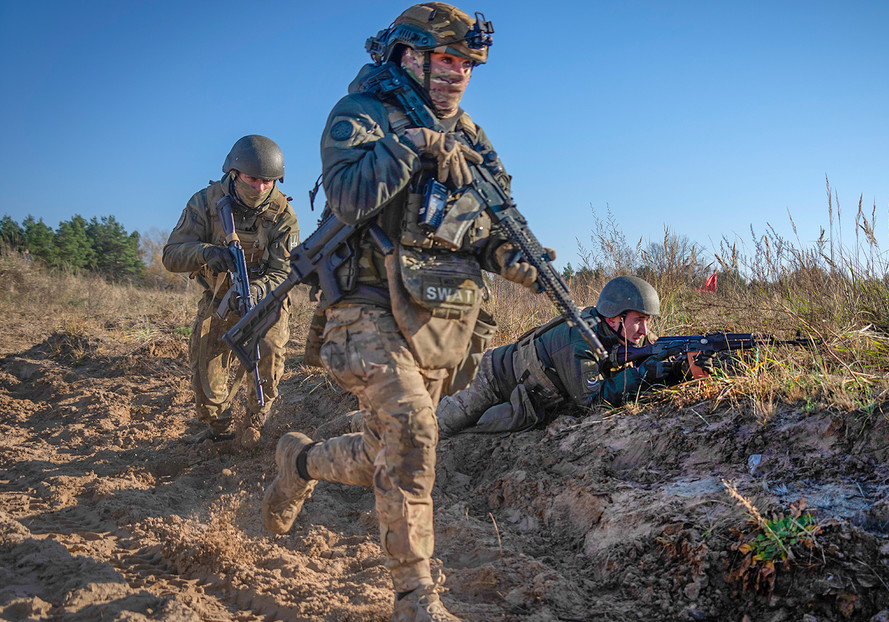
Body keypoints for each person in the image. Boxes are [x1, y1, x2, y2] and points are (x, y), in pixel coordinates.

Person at [260, 5, 546, 621]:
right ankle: (416, 600)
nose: (459, 72)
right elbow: (348, 196)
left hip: (437, 317)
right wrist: (413, 145)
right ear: (409, 55)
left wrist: (514, 258)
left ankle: (300, 461)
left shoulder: (471, 137)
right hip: (361, 309)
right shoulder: (360, 114)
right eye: (447, 58)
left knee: (388, 450)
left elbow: (478, 228)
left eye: (468, 63)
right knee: (414, 430)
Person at [163, 135, 298, 449]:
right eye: (252, 179)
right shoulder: (205, 202)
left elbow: (285, 272)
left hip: (266, 299)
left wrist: (257, 289)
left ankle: (255, 424)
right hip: (219, 296)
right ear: (234, 173)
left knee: (268, 357)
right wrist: (206, 253)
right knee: (206, 372)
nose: (260, 187)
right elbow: (171, 256)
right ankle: (218, 429)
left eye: (268, 181)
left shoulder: (283, 214)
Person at [436, 275, 696, 436]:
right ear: (614, 318)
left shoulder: (625, 334)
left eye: (647, 321)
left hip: (522, 393)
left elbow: (651, 358)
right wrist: (640, 375)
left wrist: (680, 370)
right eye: (639, 320)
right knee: (436, 428)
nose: (645, 330)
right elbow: (592, 403)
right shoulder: (580, 338)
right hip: (487, 376)